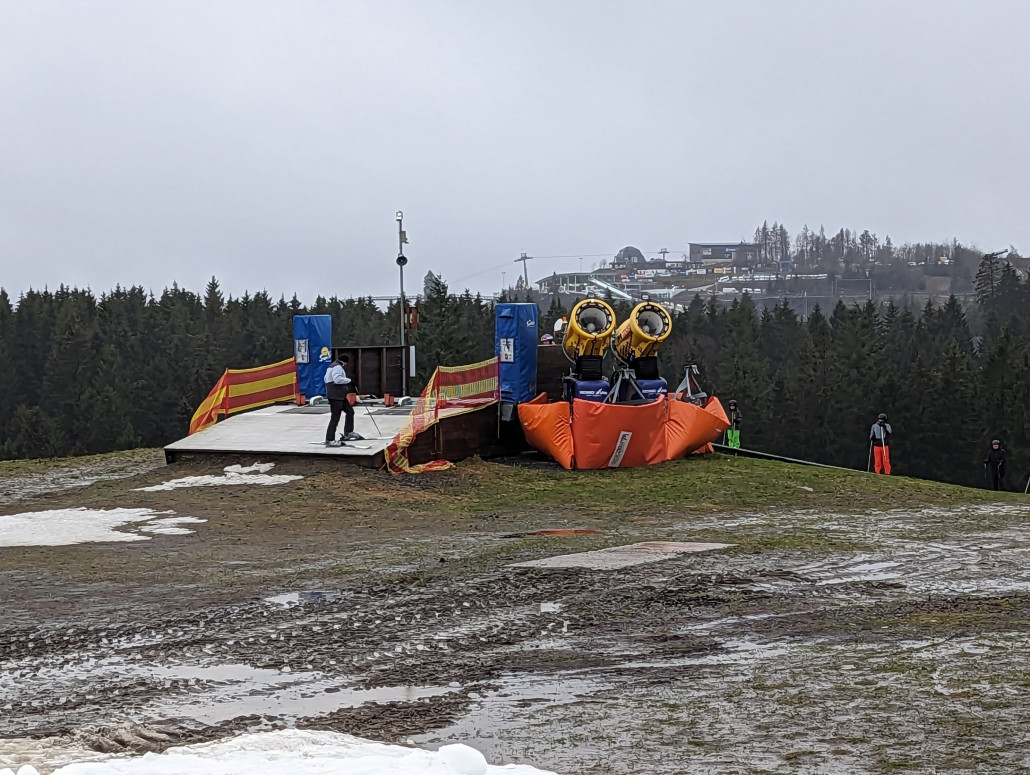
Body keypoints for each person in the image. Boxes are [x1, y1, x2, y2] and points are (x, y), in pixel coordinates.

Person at [324, 354, 357, 446]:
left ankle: (348, 432)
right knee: (335, 417)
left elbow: (326, 379)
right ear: (345, 362)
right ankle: (330, 440)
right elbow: (337, 379)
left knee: (350, 411)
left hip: (340, 396)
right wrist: (349, 381)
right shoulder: (338, 367)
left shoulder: (332, 366)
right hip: (336, 397)